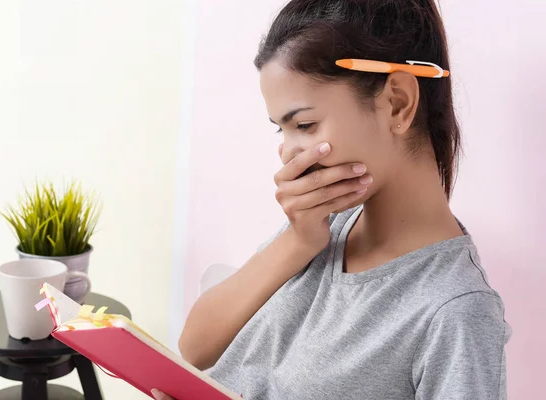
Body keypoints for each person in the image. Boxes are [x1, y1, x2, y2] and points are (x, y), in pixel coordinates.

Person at [154, 0, 510, 399]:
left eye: (304, 124)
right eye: (281, 131)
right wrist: (298, 241)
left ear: (398, 102)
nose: (289, 153)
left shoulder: (455, 309)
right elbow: (195, 349)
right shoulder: (324, 228)